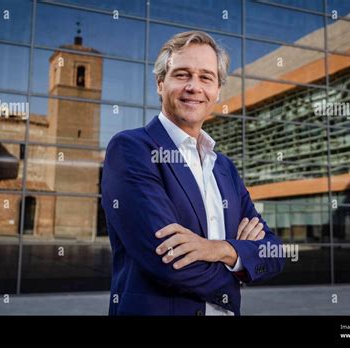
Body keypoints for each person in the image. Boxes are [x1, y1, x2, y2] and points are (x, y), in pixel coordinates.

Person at [101, 30, 285, 316]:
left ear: (217, 91)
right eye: (182, 74)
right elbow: (168, 260)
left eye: (206, 77)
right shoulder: (131, 149)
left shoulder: (223, 167)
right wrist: (238, 267)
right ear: (161, 83)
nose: (194, 87)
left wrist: (220, 249)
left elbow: (274, 252)